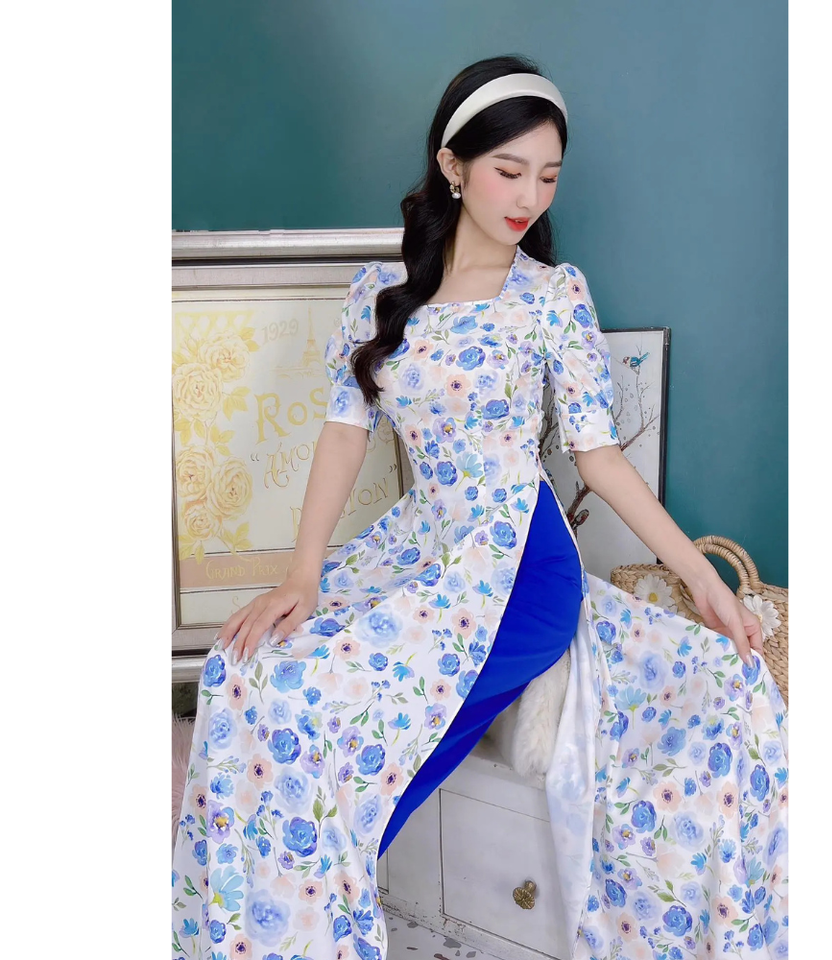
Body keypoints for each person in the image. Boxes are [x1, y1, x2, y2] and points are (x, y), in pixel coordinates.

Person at [172, 55, 788, 960]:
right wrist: (302, 576)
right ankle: (275, 919)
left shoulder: (553, 296)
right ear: (453, 166)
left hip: (520, 571)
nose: (529, 196)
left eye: (548, 176)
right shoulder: (378, 296)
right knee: (249, 676)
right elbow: (344, 433)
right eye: (509, 170)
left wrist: (700, 576)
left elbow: (598, 455)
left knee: (357, 737)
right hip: (420, 547)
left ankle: (307, 917)